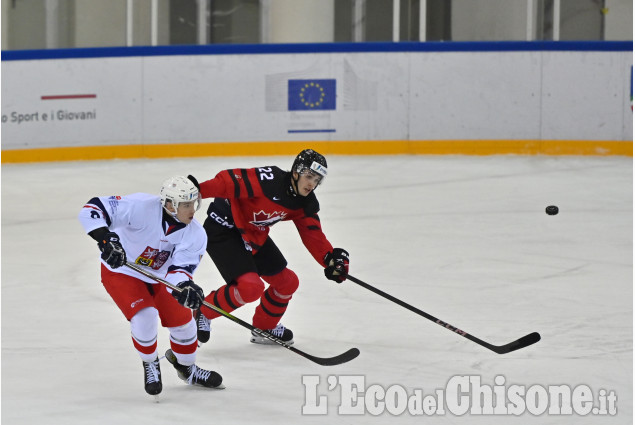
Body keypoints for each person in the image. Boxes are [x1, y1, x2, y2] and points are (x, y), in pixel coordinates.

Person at [78, 176, 224, 396]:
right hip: (123, 270)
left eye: (193, 203)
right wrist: (106, 238)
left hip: (161, 276)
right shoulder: (140, 207)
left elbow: (180, 271)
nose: (192, 209)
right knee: (144, 317)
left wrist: (185, 287)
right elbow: (91, 209)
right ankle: (150, 363)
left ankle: (187, 369)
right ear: (168, 204)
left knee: (185, 326)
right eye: (185, 204)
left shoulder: (195, 234)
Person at [189, 149, 350, 346]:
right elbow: (230, 181)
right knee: (250, 288)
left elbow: (312, 233)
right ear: (296, 172)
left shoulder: (304, 203)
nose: (312, 184)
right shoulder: (270, 180)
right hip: (223, 230)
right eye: (309, 176)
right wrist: (198, 191)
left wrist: (330, 259)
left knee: (287, 282)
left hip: (253, 235)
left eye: (317, 180)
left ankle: (264, 327)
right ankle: (202, 311)